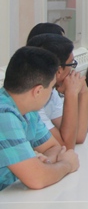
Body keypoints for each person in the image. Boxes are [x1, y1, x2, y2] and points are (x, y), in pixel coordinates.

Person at [0, 47, 79, 191]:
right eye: (51, 88)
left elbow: (54, 148)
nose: (52, 92)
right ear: (38, 91)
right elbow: (37, 179)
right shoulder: (4, 115)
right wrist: (67, 164)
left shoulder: (28, 110)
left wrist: (41, 163)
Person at [26, 34, 88, 150]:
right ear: (59, 71)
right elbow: (66, 145)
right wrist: (71, 94)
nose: (73, 70)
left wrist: (83, 92)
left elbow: (78, 136)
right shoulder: (32, 99)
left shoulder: (51, 92)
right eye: (71, 64)